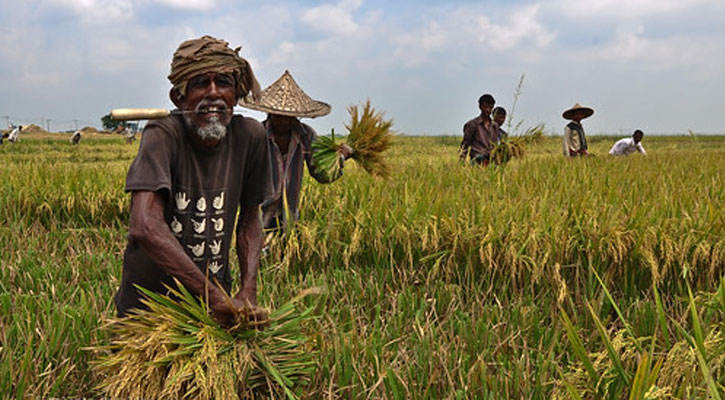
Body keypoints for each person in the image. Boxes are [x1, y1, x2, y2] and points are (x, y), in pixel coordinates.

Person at [113, 35, 270, 327]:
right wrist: (216, 297)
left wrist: (247, 290)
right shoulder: (162, 134)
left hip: (212, 306)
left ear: (235, 94)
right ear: (179, 98)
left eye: (223, 82)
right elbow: (145, 225)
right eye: (200, 83)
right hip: (151, 308)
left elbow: (250, 217)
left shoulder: (251, 136)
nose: (213, 93)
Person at [239, 70, 351, 233]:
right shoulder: (258, 135)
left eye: (289, 116)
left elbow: (322, 174)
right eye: (279, 115)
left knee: (288, 254)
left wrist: (339, 158)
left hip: (290, 221)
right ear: (269, 112)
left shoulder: (306, 136)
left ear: (297, 116)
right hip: (257, 220)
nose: (284, 120)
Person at [460, 94, 499, 166]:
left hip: (491, 161)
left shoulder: (495, 126)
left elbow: (495, 144)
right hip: (477, 161)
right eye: (485, 107)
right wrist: (462, 162)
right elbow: (465, 144)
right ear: (480, 107)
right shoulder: (472, 124)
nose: (488, 110)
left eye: (490, 107)